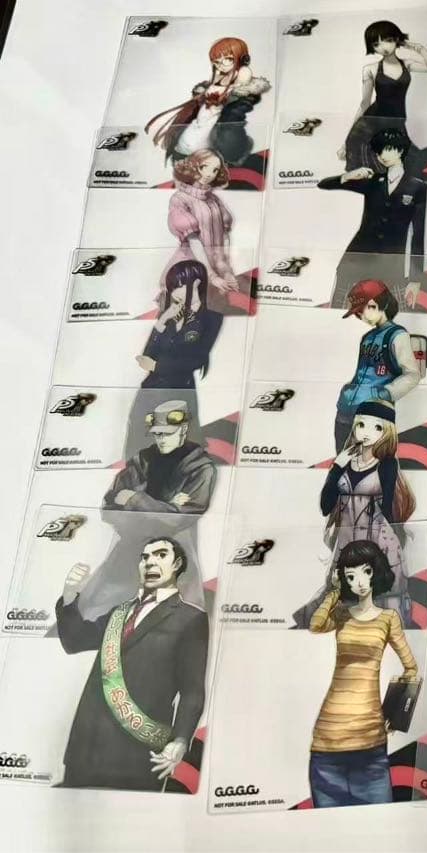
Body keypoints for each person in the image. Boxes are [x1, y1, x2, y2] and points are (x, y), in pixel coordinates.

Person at [54, 537, 208, 791]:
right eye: (145, 557)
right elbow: (74, 641)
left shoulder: (191, 619)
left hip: (137, 755)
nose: (150, 562)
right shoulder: (119, 612)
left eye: (160, 555)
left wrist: (180, 741)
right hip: (86, 750)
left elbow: (192, 691)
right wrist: (70, 596)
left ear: (177, 564)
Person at [77, 401, 215, 621]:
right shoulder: (142, 460)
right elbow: (109, 508)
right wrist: (163, 507)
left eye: (168, 433)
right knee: (94, 613)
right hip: (129, 551)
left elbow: (178, 520)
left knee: (171, 622)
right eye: (157, 433)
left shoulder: (200, 468)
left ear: (184, 429)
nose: (161, 439)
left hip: (174, 555)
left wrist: (133, 498)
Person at [308, 540, 419, 808]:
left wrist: (395, 715)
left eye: (366, 572)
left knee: (379, 828)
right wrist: (335, 591)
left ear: (376, 571)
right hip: (327, 745)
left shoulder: (388, 618)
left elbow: (411, 668)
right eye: (350, 576)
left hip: (370, 745)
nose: (359, 582)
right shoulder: (342, 615)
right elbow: (315, 625)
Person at [297, 400, 417, 630]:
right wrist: (336, 467)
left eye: (377, 427)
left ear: (387, 432)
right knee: (344, 601)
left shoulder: (387, 465)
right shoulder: (344, 462)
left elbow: (390, 509)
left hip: (379, 541)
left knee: (380, 599)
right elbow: (325, 506)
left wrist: (398, 537)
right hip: (346, 540)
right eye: (361, 425)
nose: (366, 432)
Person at [319, 128, 427, 310]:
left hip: (391, 264)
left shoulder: (418, 187)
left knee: (392, 314)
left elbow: (419, 234)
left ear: (401, 150)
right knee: (339, 309)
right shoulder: (372, 180)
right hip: (356, 259)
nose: (382, 156)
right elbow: (323, 184)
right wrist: (348, 176)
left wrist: (416, 279)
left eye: (388, 149)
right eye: (379, 152)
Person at [125, 259, 222, 459]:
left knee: (175, 448)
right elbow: (148, 355)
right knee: (138, 442)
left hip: (179, 391)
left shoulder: (211, 318)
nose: (174, 292)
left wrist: (157, 366)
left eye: (179, 286)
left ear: (196, 283)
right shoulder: (169, 314)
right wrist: (162, 320)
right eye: (172, 287)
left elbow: (196, 360)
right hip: (150, 390)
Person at [145, 36, 271, 168]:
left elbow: (241, 83)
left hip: (217, 115)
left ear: (243, 59)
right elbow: (211, 87)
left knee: (206, 137)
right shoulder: (219, 75)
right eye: (216, 61)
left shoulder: (242, 73)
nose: (220, 64)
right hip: (205, 114)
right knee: (191, 136)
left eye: (227, 59)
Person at [339, 21, 427, 172]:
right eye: (376, 44)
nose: (383, 47)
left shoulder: (406, 64)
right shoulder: (370, 69)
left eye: (388, 40)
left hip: (398, 120)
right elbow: (364, 103)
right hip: (373, 123)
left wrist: (418, 48)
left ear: (396, 39)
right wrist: (345, 142)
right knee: (378, 168)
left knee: (407, 164)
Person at [334, 280, 421, 452]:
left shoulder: (397, 335)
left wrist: (385, 393)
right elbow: (361, 374)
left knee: (368, 463)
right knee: (342, 461)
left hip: (373, 416)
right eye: (358, 313)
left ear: (378, 304)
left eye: (363, 310)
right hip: (345, 412)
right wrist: (347, 391)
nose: (361, 317)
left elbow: (412, 374)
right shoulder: (367, 337)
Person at [162, 149, 241, 312]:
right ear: (192, 166)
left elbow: (224, 236)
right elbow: (193, 241)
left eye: (215, 170)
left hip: (216, 267)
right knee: (186, 311)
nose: (209, 174)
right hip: (191, 266)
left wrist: (226, 270)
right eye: (204, 167)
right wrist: (212, 276)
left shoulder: (214, 200)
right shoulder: (179, 199)